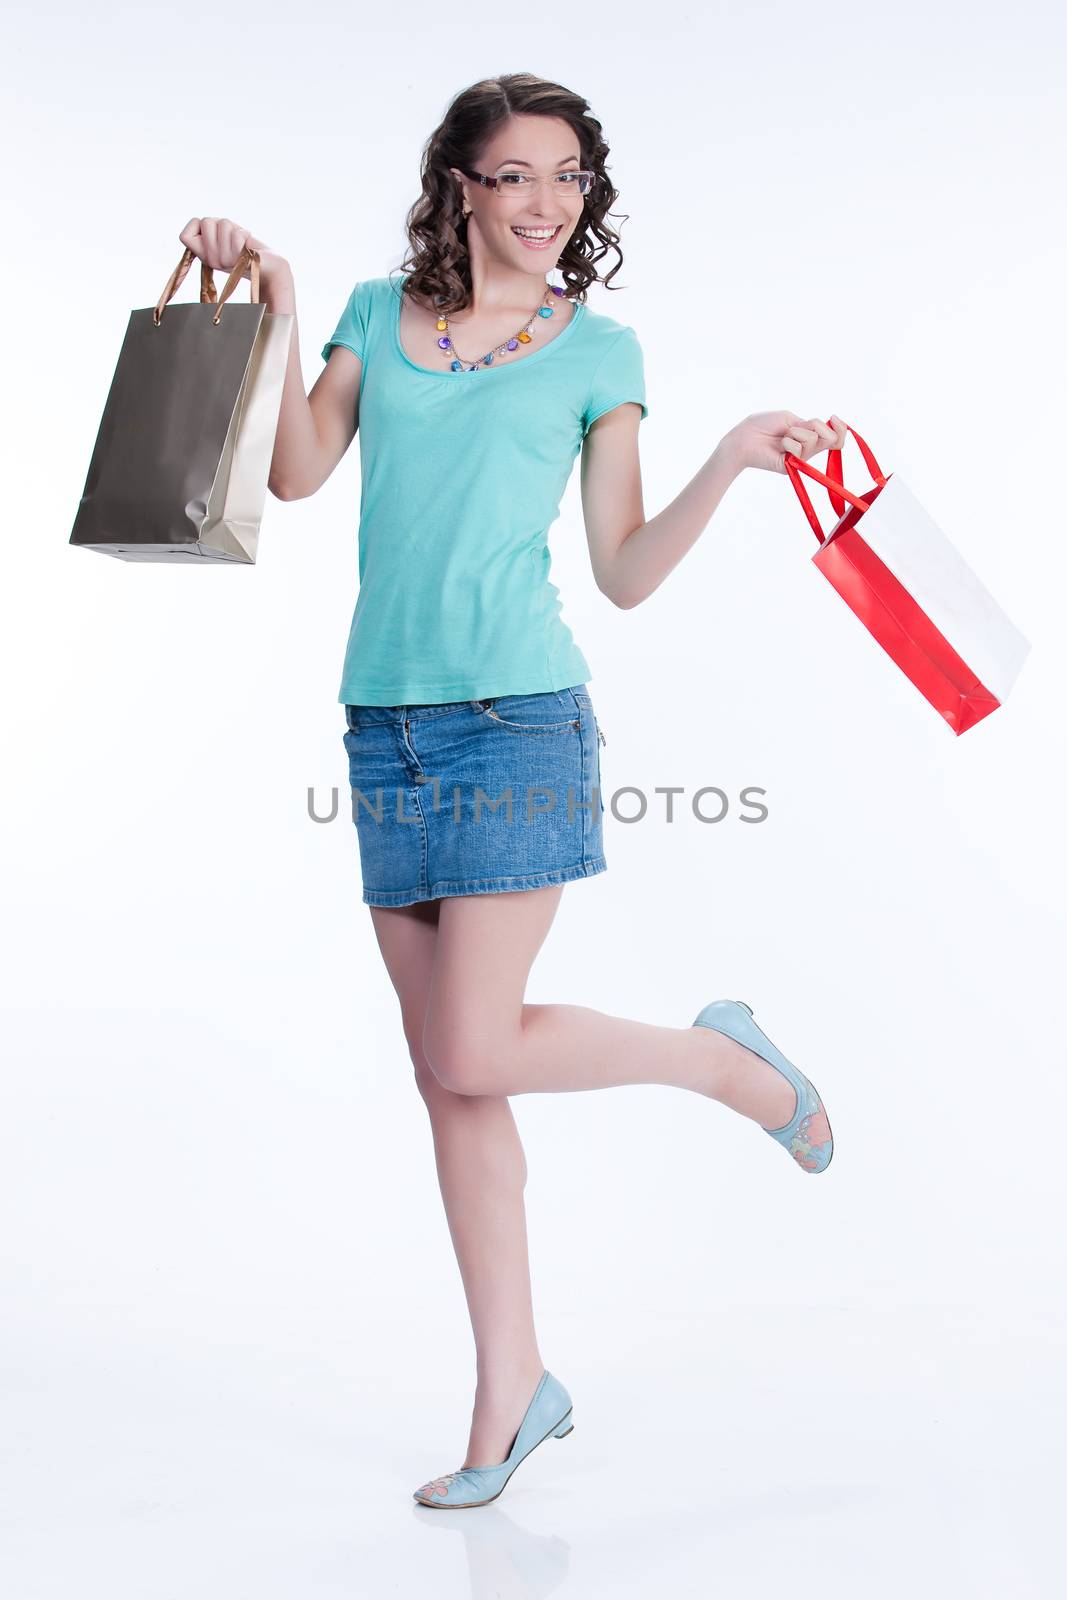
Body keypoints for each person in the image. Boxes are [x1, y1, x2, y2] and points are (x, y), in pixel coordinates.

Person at [178, 71, 843, 1511]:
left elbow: (620, 572)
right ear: (461, 188)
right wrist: (283, 291)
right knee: (449, 1079)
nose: (549, 205)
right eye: (518, 176)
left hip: (514, 721)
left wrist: (729, 458)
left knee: (473, 1047)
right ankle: (511, 1390)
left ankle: (728, 1063)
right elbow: (295, 477)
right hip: (383, 726)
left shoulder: (599, 350)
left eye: (570, 179)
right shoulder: (375, 314)